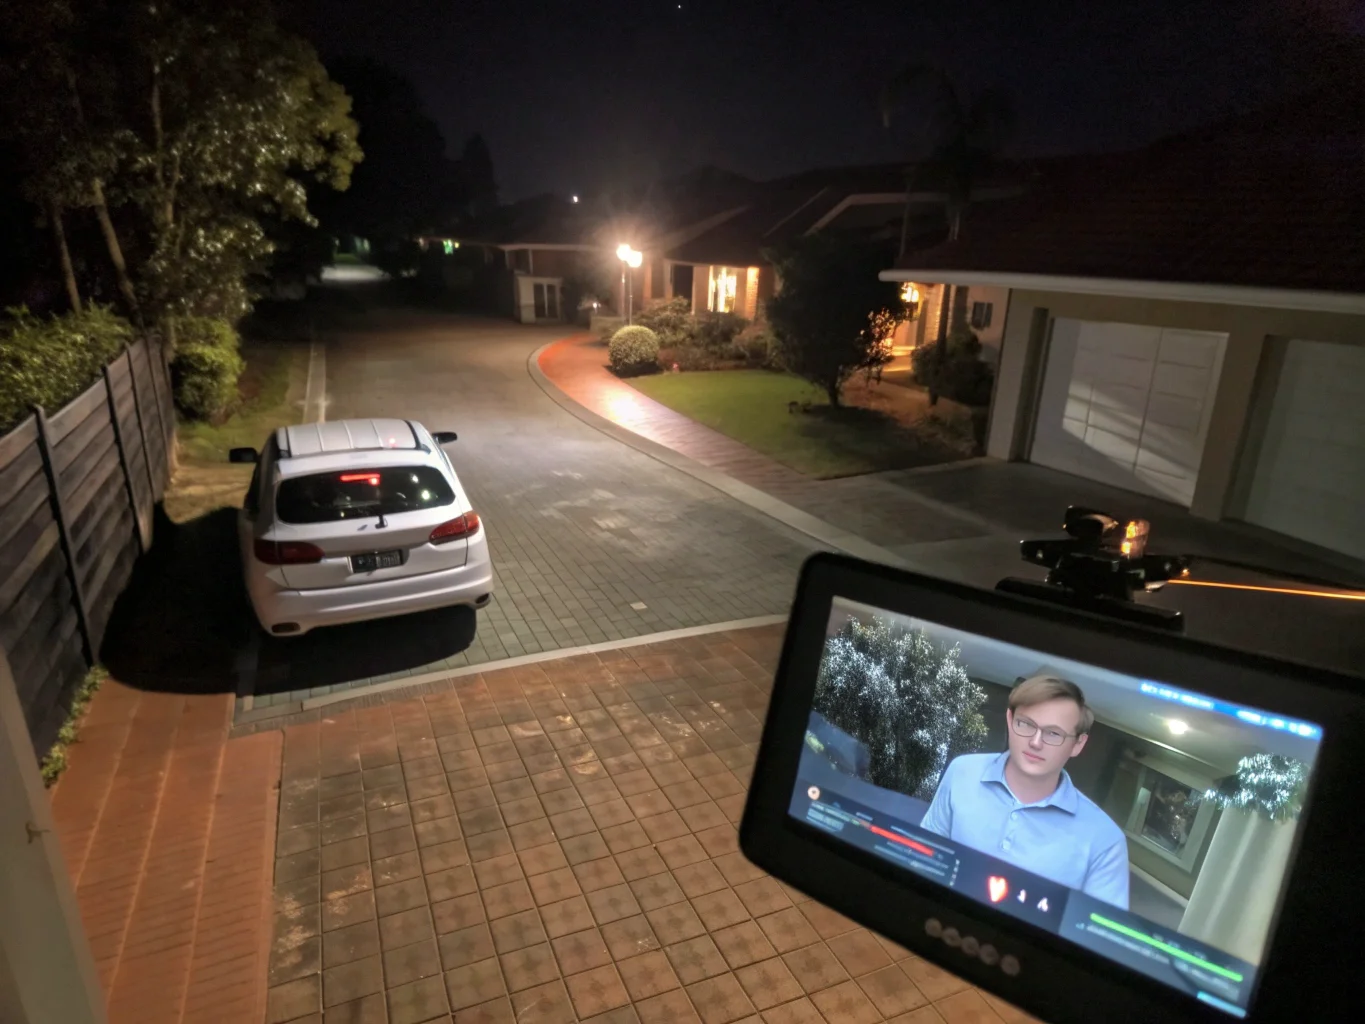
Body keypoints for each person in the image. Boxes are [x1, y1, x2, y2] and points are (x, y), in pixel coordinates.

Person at [920, 674, 1130, 909]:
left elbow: (1092, 928)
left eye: (1053, 733)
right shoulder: (962, 771)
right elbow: (923, 855)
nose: (1035, 742)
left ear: (1078, 744)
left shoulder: (1106, 840)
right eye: (1026, 724)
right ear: (1010, 720)